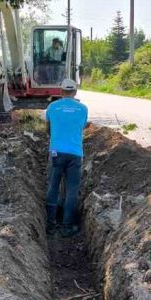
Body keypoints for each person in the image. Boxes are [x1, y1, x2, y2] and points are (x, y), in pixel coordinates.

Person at [45, 79, 88, 237]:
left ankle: (50, 225)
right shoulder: (83, 109)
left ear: (61, 92)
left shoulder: (52, 107)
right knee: (71, 190)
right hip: (75, 154)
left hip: (56, 152)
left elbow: (48, 129)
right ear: (75, 92)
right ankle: (66, 227)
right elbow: (81, 126)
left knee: (53, 186)